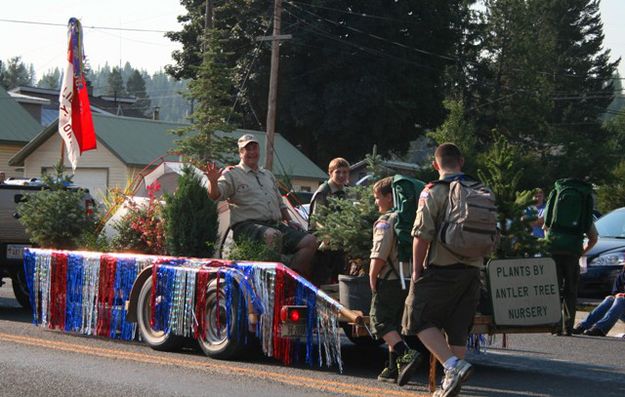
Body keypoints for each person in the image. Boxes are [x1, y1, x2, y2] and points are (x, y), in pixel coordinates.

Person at [402, 143, 481, 397]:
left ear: (436, 165)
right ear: (462, 161)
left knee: (416, 317)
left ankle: (453, 365)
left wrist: (416, 271)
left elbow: (421, 235)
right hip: (472, 270)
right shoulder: (478, 189)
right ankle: (450, 384)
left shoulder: (433, 192)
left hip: (442, 268)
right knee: (458, 325)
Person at [204, 134, 318, 277]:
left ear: (259, 150)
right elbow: (215, 195)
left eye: (254, 148)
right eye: (247, 149)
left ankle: (290, 280)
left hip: (273, 224)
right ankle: (271, 281)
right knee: (273, 236)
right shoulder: (232, 174)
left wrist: (289, 220)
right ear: (240, 152)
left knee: (310, 241)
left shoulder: (268, 175)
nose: (252, 152)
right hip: (246, 226)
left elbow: (280, 203)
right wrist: (213, 182)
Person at [368, 176, 420, 384]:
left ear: (390, 197)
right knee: (395, 324)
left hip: (390, 279)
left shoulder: (387, 222)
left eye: (377, 197)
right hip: (409, 279)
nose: (376, 202)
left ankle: (407, 354)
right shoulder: (411, 218)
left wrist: (372, 277)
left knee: (378, 320)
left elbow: (379, 254)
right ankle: (392, 367)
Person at [544, 180, 599, 336]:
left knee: (553, 289)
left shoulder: (556, 202)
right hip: (573, 251)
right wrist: (581, 251)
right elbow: (593, 238)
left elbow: (546, 226)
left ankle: (554, 325)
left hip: (554, 250)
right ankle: (567, 327)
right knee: (570, 290)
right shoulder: (583, 208)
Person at [573, 266, 625, 337]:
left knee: (620, 300)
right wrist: (617, 295)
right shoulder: (622, 276)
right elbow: (615, 293)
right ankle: (583, 326)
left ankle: (601, 329)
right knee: (609, 299)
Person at [308, 157, 350, 226]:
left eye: (345, 172)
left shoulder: (348, 192)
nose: (341, 175)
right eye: (338, 172)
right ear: (330, 173)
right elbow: (317, 220)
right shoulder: (323, 192)